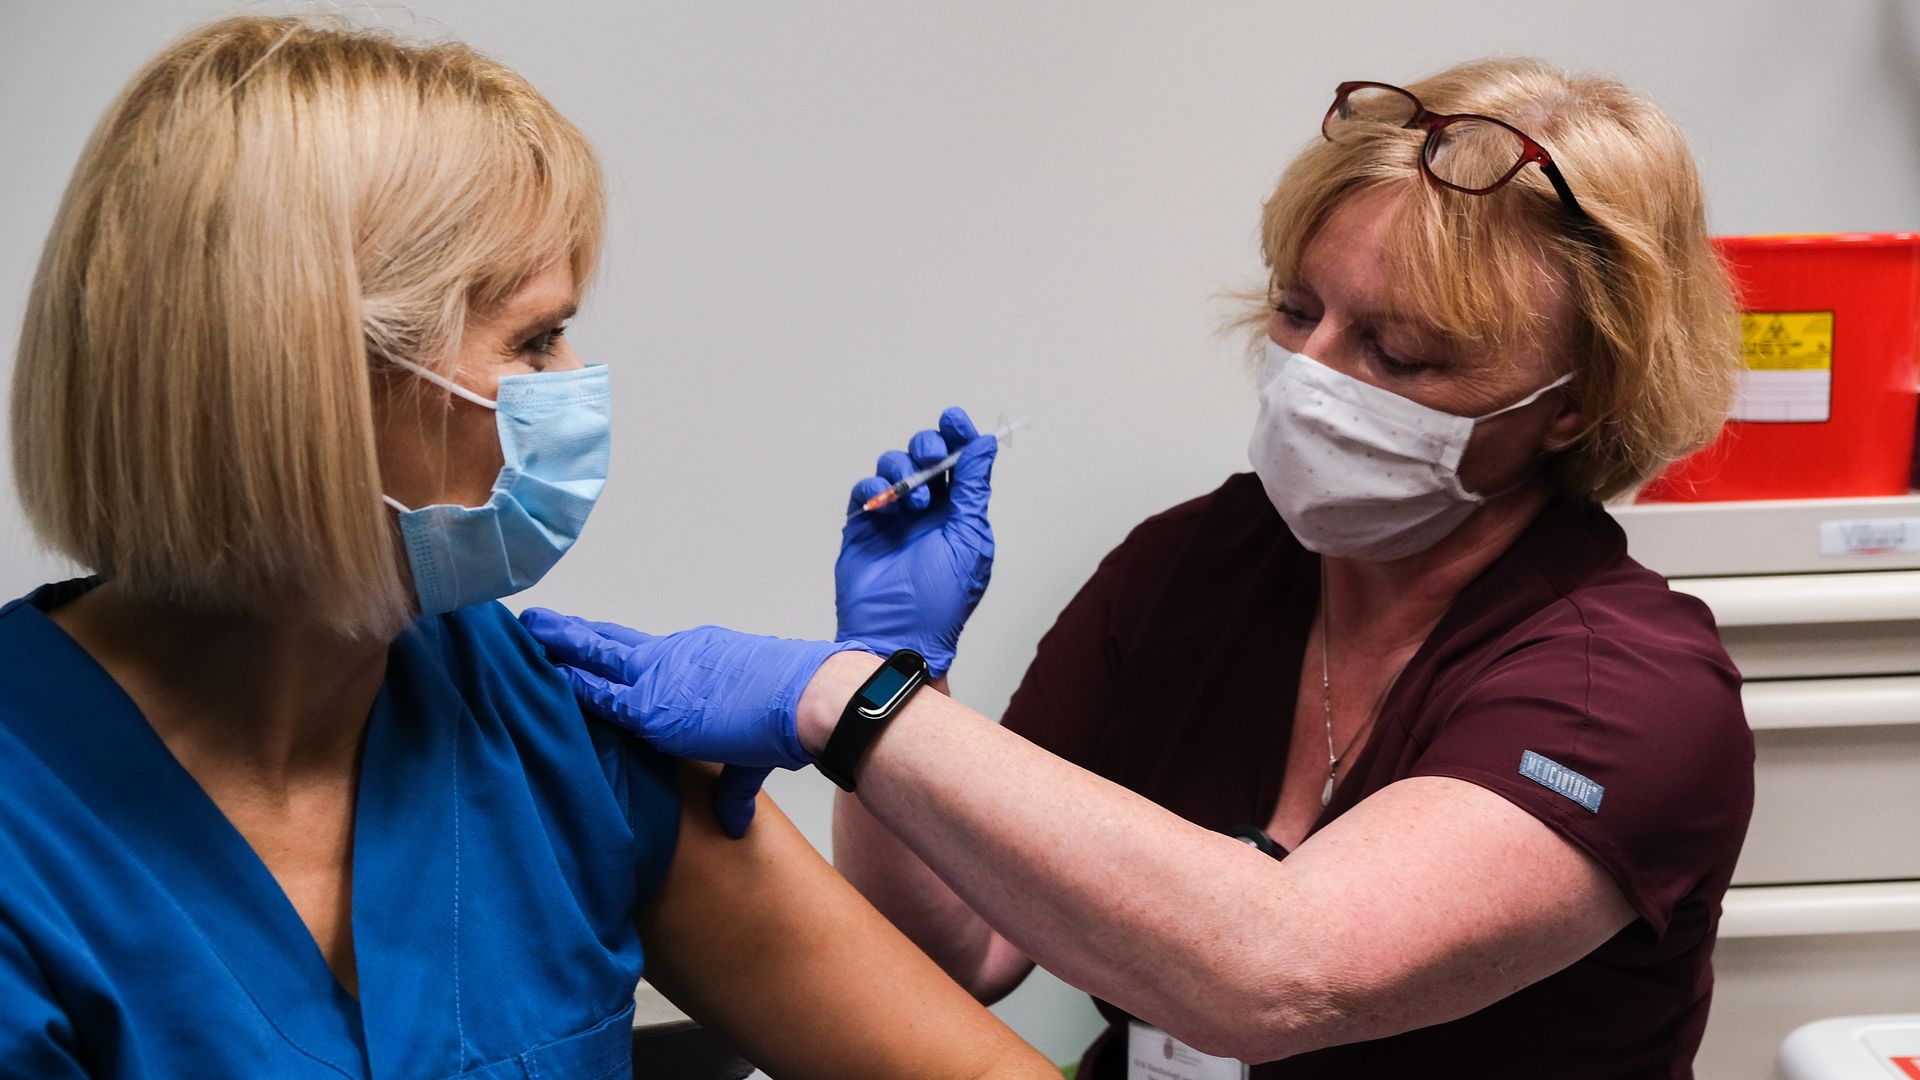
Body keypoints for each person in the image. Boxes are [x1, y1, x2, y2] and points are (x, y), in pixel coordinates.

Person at [526, 59, 1755, 1076]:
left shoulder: (1624, 695)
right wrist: (894, 663)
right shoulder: (1203, 567)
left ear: (1571, 405)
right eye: (1298, 311)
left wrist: (846, 703)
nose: (1314, 376)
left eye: (1399, 354)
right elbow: (958, 951)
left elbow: (1281, 974)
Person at [0, 17, 1057, 1079]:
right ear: (315, 381)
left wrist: (871, 700)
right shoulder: (27, 825)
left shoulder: (543, 727)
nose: (576, 382)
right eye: (537, 338)